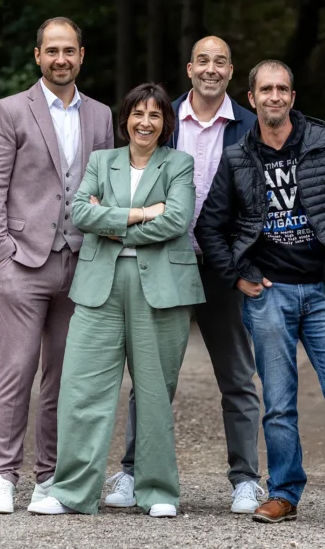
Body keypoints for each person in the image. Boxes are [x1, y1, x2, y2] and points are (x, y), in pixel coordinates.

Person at [195, 59, 325, 532]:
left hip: (324, 293)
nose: (274, 96)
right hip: (268, 296)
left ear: (292, 95)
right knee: (280, 403)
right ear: (251, 98)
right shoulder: (237, 157)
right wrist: (236, 274)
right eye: (265, 89)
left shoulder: (324, 143)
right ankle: (284, 493)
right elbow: (209, 224)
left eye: (282, 88)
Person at [28, 83, 203, 518]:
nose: (146, 122)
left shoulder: (179, 163)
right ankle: (71, 492)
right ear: (124, 119)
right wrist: (143, 213)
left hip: (161, 289)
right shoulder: (101, 161)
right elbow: (80, 213)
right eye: (138, 114)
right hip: (99, 286)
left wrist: (110, 221)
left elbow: (178, 220)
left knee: (154, 392)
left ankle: (158, 490)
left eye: (155, 115)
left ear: (166, 124)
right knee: (82, 388)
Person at [105, 36, 264, 514]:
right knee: (152, 377)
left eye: (220, 62)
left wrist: (242, 261)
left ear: (230, 71)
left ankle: (245, 479)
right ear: (190, 68)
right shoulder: (162, 120)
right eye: (203, 61)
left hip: (224, 270)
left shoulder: (251, 128)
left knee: (237, 376)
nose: (210, 69)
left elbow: (258, 205)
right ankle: (133, 472)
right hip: (164, 262)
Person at [0, 17, 114, 514]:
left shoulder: (100, 115)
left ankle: (49, 476)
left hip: (80, 264)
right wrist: (0, 255)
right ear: (38, 56)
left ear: (82, 55)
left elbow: (105, 189)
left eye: (69, 51)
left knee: (63, 376)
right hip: (23, 262)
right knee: (16, 370)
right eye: (52, 51)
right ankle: (1, 475)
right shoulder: (9, 110)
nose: (61, 59)